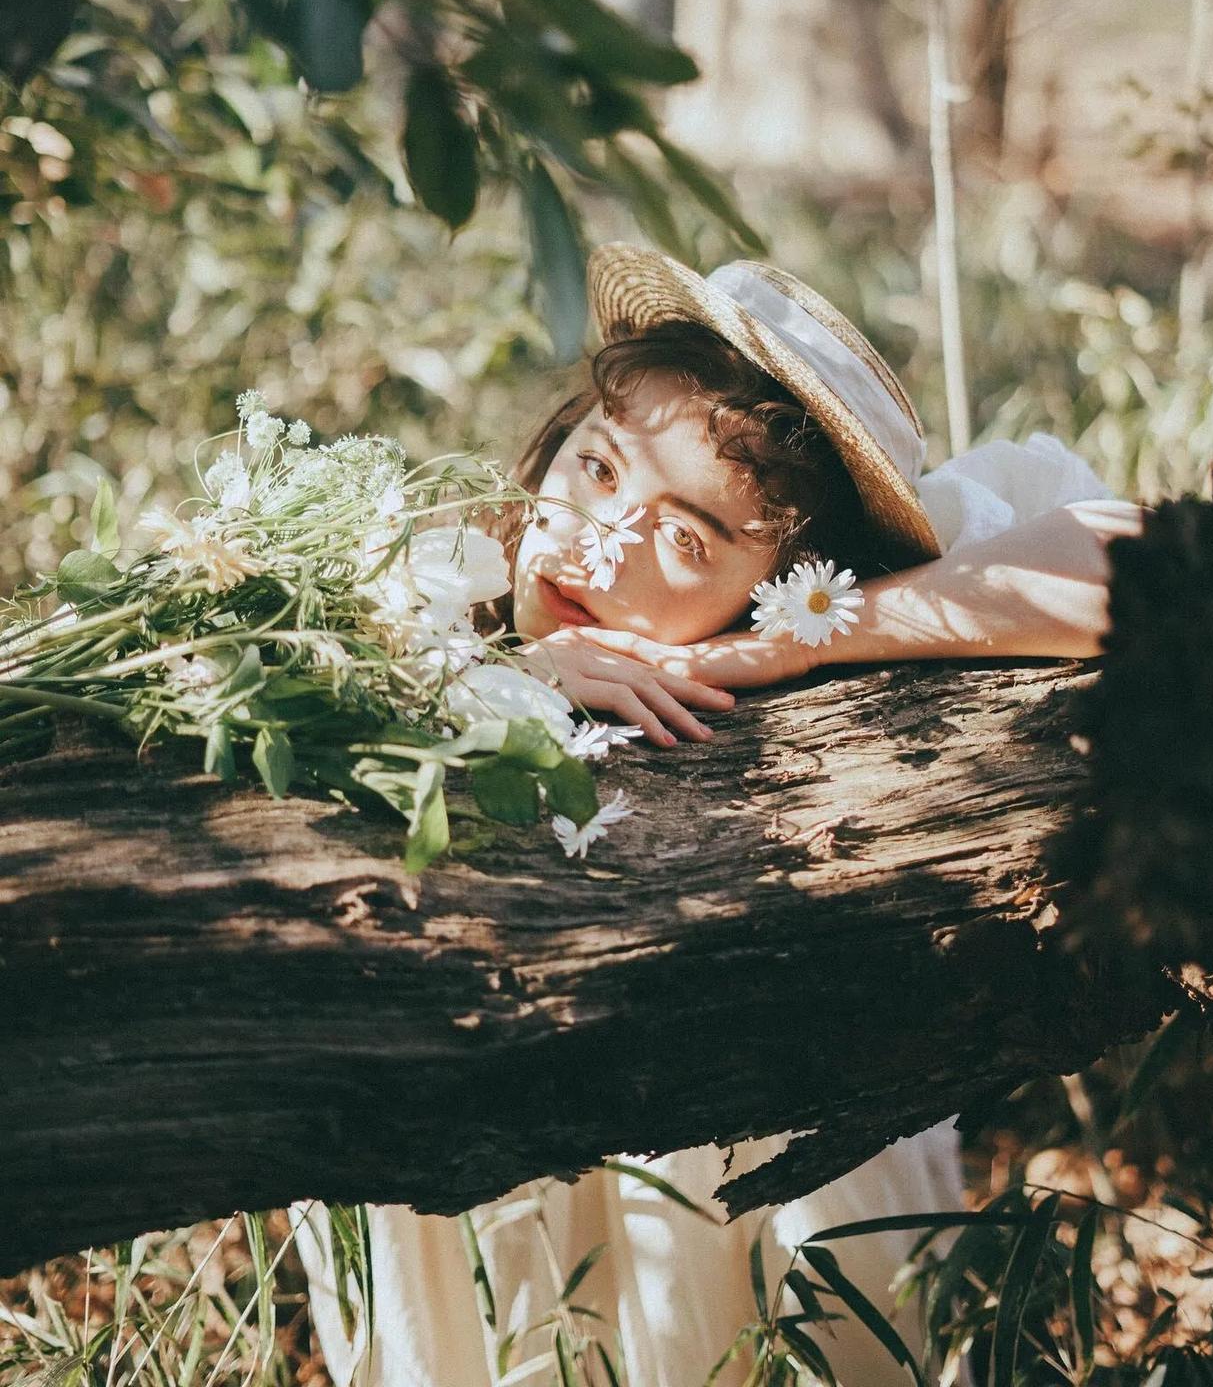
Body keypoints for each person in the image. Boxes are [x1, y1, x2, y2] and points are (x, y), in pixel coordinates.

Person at [291, 244, 1144, 1387]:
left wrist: (783, 642)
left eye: (685, 537)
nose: (600, 542)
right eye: (596, 469)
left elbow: (1136, 561)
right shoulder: (435, 586)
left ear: (784, 574)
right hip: (489, 1183)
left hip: (734, 1167)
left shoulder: (793, 646)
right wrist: (514, 675)